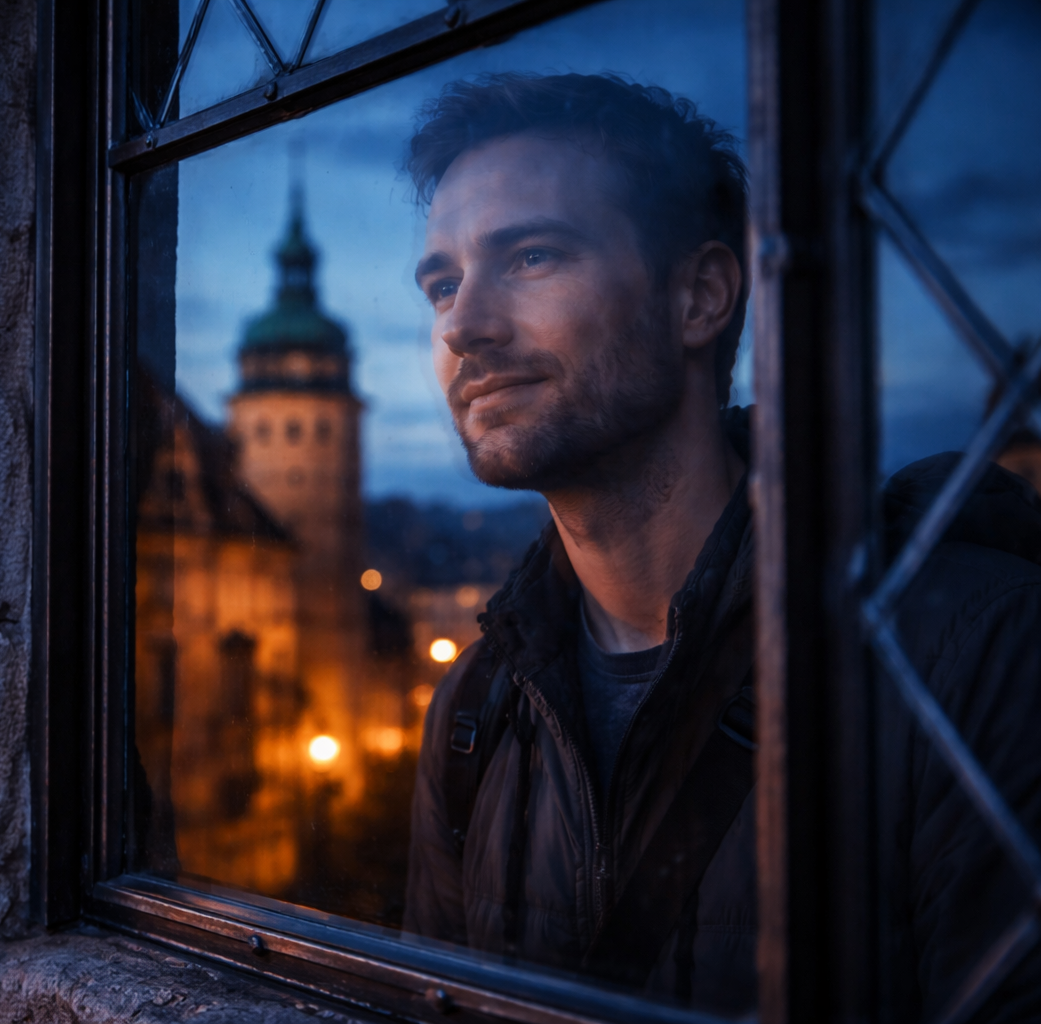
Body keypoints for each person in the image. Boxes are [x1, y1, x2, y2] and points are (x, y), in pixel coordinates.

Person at [402, 73, 1041, 1019]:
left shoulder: (968, 650)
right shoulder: (477, 708)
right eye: (443, 283)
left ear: (700, 297)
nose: (464, 325)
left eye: (532, 256)